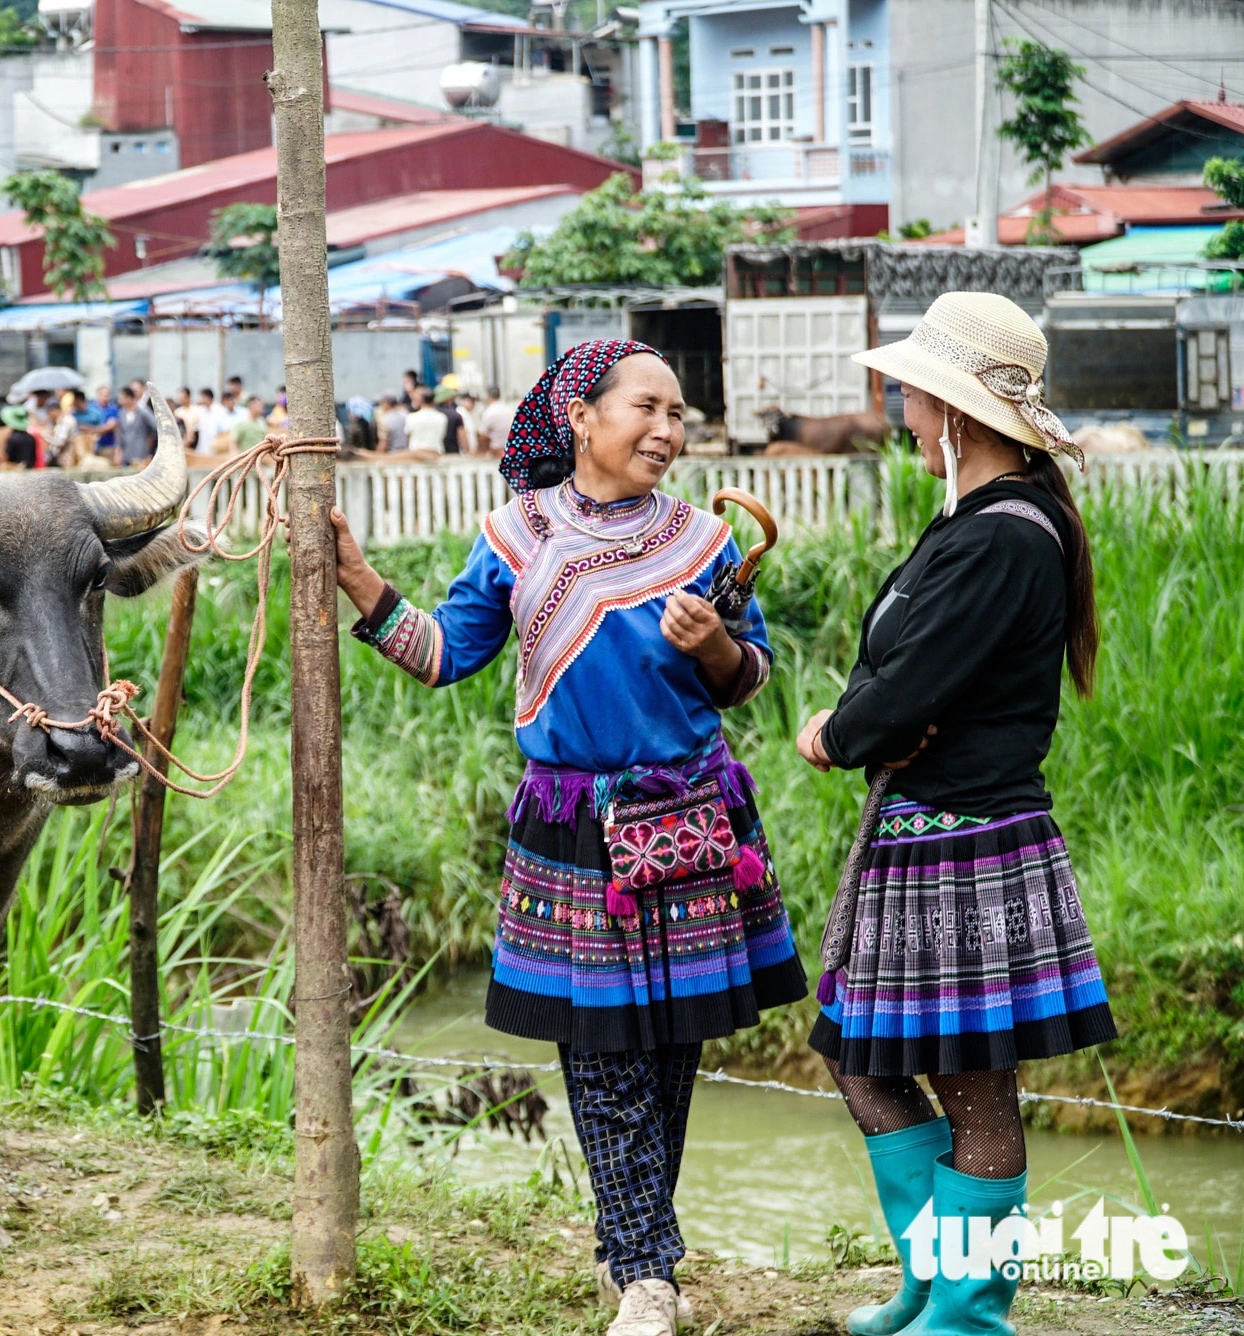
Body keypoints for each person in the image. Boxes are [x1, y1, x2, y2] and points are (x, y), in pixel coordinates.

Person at [332, 341, 801, 1336]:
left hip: (686, 814)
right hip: (573, 823)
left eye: (679, 414)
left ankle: (634, 1254)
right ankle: (644, 1270)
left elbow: (745, 675)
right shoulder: (512, 534)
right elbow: (445, 653)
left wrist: (712, 643)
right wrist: (361, 581)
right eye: (647, 408)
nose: (668, 431)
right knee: (597, 1047)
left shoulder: (702, 540)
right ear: (580, 417)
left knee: (670, 1045)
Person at [796, 293, 1116, 1336]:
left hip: (966, 844)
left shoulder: (1002, 537)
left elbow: (896, 693)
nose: (897, 402)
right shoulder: (981, 523)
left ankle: (968, 1313)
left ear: (958, 409)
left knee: (972, 1088)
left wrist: (836, 731)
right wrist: (872, 715)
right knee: (864, 1060)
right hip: (923, 838)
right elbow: (895, 683)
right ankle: (934, 1283)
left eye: (912, 388)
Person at [114, 386, 157, 466]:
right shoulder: (122, 413)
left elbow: (155, 426)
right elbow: (120, 433)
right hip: (127, 452)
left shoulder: (143, 411)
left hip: (141, 451)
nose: (120, 401)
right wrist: (118, 452)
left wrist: (152, 438)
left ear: (129, 398)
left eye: (122, 398)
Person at [404, 387, 448, 452]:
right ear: (434, 401)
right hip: (436, 452)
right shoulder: (442, 417)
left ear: (421, 400)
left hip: (416, 453)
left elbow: (408, 436)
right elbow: (443, 435)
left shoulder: (411, 417)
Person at [481, 387, 515, 456]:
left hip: (497, 451)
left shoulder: (489, 412)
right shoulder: (509, 409)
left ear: (488, 396)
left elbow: (483, 434)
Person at [434, 384, 466, 454]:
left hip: (435, 453)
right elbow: (462, 436)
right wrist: (468, 451)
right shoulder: (455, 415)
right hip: (453, 453)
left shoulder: (432, 414)